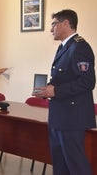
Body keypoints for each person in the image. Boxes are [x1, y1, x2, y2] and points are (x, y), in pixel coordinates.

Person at [33, 9, 96, 175]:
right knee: (60, 165)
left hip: (72, 118)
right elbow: (63, 78)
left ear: (66, 23)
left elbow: (87, 82)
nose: (51, 29)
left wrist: (56, 91)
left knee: (76, 165)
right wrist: (47, 89)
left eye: (53, 24)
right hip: (60, 116)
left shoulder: (79, 47)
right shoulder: (65, 47)